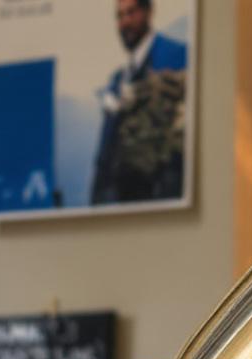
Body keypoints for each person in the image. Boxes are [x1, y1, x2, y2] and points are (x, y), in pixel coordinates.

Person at [90, 0, 188, 206]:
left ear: (148, 12)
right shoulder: (118, 80)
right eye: (120, 16)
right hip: (121, 201)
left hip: (162, 196)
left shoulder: (177, 57)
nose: (125, 21)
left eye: (131, 13)